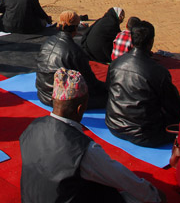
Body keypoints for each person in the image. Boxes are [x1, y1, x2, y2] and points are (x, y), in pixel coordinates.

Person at [20, 68, 165, 203]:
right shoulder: (83, 149)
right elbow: (122, 178)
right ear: (80, 108)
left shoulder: (31, 127)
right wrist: (153, 195)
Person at [105, 21, 180, 147]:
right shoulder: (158, 71)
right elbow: (173, 106)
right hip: (145, 134)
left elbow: (108, 90)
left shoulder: (116, 63)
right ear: (151, 42)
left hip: (114, 125)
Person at [36, 11, 107, 108]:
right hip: (60, 100)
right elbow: (90, 82)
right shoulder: (74, 51)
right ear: (75, 28)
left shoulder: (47, 42)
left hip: (43, 93)